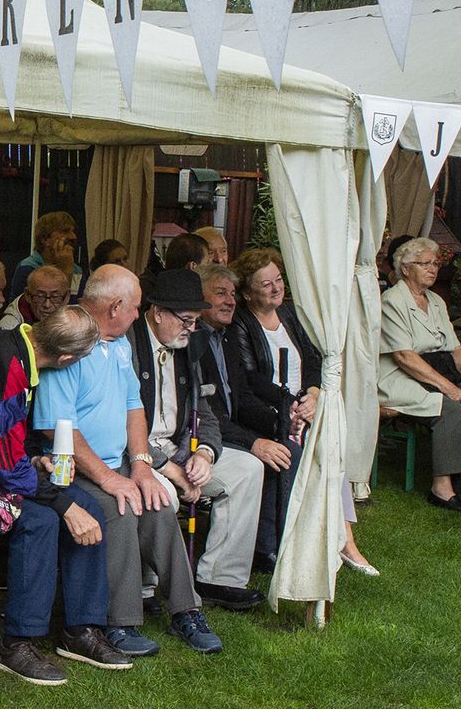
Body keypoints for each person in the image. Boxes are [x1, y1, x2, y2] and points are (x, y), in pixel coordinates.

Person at [33, 266, 218, 658]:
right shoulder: (69, 339)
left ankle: (185, 610)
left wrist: (139, 466)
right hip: (66, 470)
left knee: (158, 502)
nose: (139, 316)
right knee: (119, 507)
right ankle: (120, 621)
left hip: (117, 463)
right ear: (115, 306)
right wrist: (111, 479)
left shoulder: (118, 343)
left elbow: (135, 407)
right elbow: (57, 429)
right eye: (135, 308)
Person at [0, 303, 130, 682]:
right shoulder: (4, 361)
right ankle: (17, 642)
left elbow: (9, 446)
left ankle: (81, 629)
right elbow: (4, 464)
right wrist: (62, 502)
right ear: (68, 358)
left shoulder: (22, 350)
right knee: (42, 519)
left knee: (89, 506)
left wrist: (38, 459)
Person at [127, 266, 266, 617]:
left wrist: (205, 451)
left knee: (247, 469)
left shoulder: (187, 346)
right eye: (186, 320)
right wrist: (170, 469)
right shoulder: (127, 346)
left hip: (178, 447)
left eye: (193, 320)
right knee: (165, 492)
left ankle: (220, 577)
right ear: (158, 313)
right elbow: (120, 425)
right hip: (135, 453)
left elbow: (203, 409)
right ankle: (145, 585)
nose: (193, 328)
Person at [378, 236, 461, 515]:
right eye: (424, 263)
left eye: (435, 263)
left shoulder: (435, 301)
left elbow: (454, 346)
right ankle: (441, 488)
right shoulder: (392, 301)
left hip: (433, 373)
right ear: (405, 268)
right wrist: (449, 387)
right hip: (398, 377)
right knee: (450, 408)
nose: (432, 269)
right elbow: (404, 357)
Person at [230, 248, 324, 573]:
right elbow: (250, 379)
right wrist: (288, 408)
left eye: (279, 279)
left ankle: (322, 538)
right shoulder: (240, 323)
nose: (276, 288)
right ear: (246, 292)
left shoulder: (290, 314)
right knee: (288, 456)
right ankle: (273, 545)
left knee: (329, 446)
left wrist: (312, 394)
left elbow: (313, 359)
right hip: (263, 412)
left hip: (300, 405)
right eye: (266, 284)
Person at [193, 265, 293, 568]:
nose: (231, 301)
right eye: (221, 293)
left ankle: (275, 543)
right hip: (208, 435)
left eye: (233, 294)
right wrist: (253, 442)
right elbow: (205, 414)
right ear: (201, 298)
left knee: (288, 442)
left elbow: (243, 397)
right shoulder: (194, 341)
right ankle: (266, 547)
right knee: (272, 455)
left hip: (231, 427)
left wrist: (281, 417)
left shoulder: (224, 338)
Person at [9, 211, 81, 298]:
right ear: (45, 239)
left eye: (73, 231)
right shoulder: (27, 268)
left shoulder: (77, 271)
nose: (73, 237)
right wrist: (66, 270)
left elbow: (79, 306)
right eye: (65, 231)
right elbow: (46, 305)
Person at [0, 263, 73, 334]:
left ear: (67, 297)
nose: (47, 305)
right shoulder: (8, 329)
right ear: (27, 295)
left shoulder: (73, 324)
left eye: (55, 297)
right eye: (40, 296)